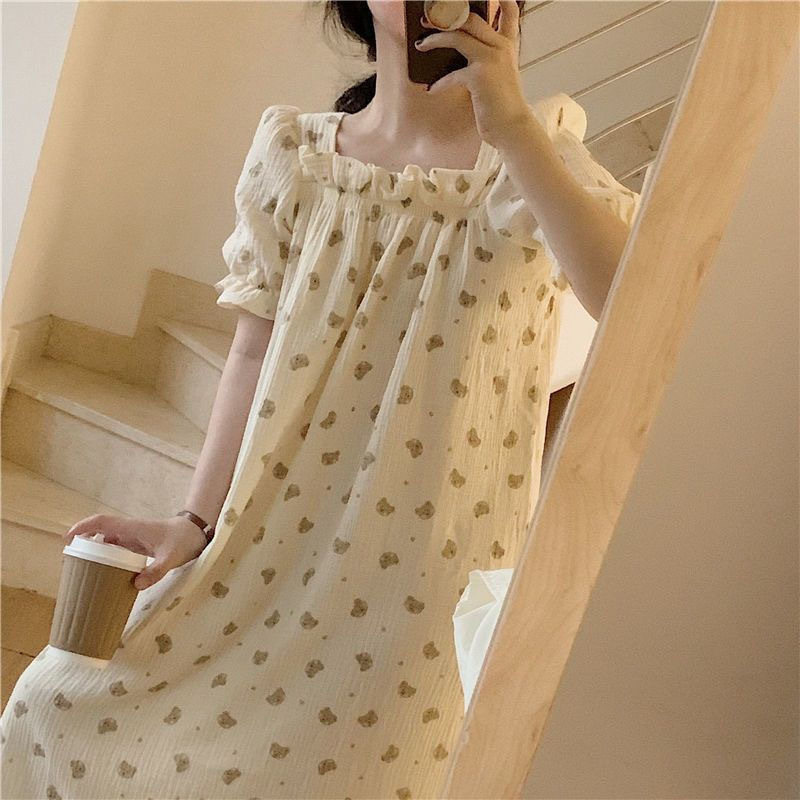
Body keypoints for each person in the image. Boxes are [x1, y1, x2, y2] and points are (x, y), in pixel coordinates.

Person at [0, 2, 642, 797]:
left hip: (424, 592)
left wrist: (511, 127)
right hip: (264, 554)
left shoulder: (537, 159)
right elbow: (250, 350)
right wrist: (192, 522)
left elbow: (635, 303)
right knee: (53, 705)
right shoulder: (296, 157)